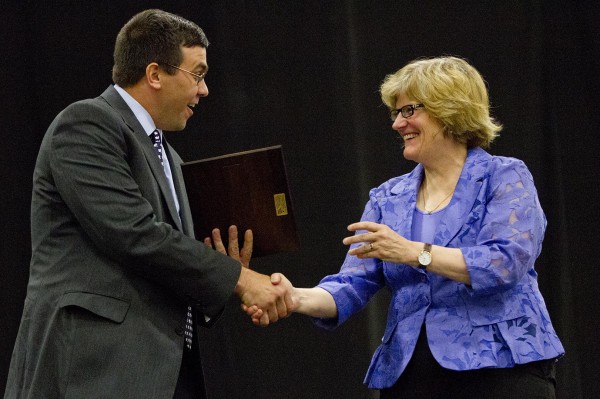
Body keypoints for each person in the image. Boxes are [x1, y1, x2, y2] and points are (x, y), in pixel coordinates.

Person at [4, 9, 292, 399]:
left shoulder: (169, 158)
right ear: (155, 74)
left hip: (164, 367)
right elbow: (132, 234)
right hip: (94, 368)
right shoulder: (87, 123)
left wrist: (224, 273)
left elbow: (166, 258)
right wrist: (239, 281)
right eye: (198, 74)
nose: (205, 90)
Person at [249, 56, 565, 398]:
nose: (398, 124)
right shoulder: (388, 197)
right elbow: (352, 284)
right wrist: (295, 297)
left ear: (450, 109)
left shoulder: (503, 176)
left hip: (500, 370)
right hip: (410, 376)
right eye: (395, 113)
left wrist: (416, 252)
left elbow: (505, 261)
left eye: (409, 110)